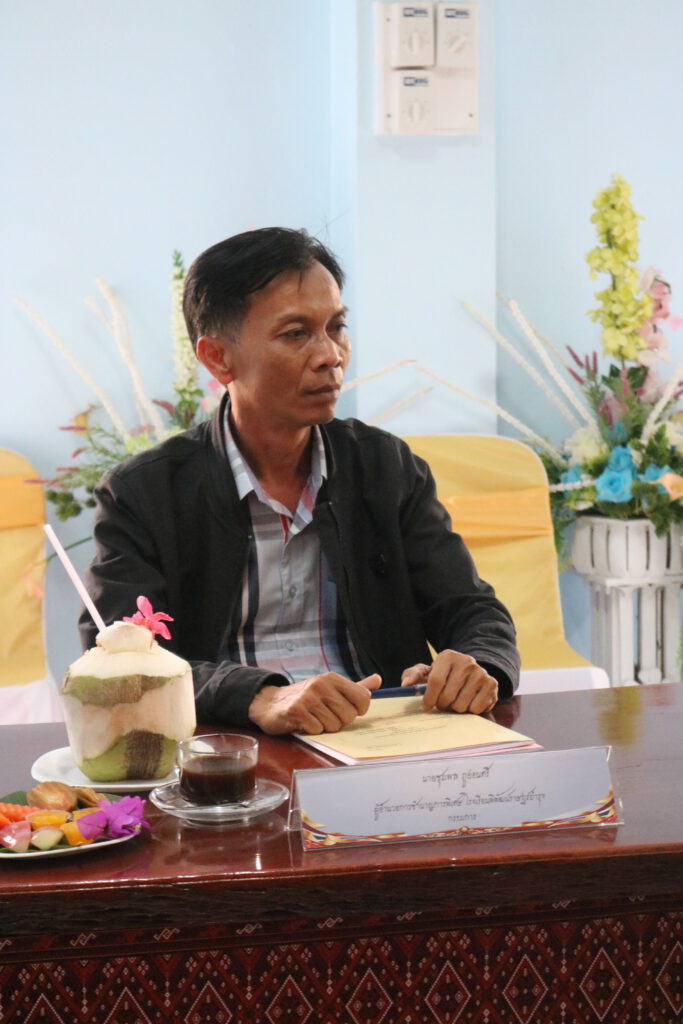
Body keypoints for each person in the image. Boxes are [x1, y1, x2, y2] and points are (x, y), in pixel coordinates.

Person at [80, 227, 519, 735]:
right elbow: (120, 660)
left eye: (337, 327)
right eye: (296, 333)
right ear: (217, 357)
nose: (330, 354)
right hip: (231, 749)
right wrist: (258, 696)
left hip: (380, 737)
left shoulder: (384, 467)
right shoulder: (143, 493)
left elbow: (473, 610)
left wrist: (476, 665)